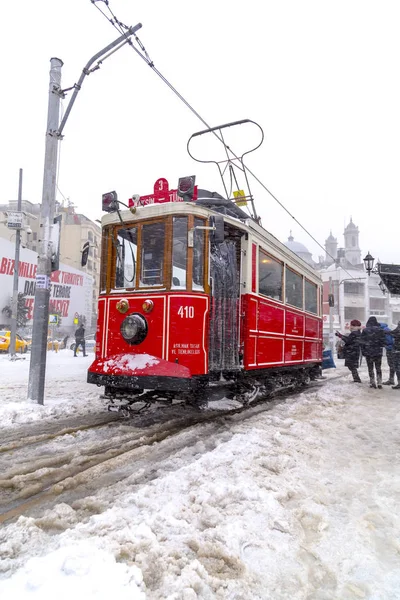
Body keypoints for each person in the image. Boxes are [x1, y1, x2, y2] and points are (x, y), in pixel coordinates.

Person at [359, 316, 386, 388]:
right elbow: (383, 341)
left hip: (368, 352)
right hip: (378, 352)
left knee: (370, 367)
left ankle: (372, 381)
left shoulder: (365, 330)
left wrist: (363, 350)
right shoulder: (380, 330)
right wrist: (380, 345)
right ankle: (379, 382)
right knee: (378, 367)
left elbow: (362, 342)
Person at [385, 322, 400, 389]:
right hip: (396, 350)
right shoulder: (397, 329)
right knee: (396, 366)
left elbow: (393, 333)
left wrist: (385, 332)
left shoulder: (398, 330)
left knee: (397, 367)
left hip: (397, 351)